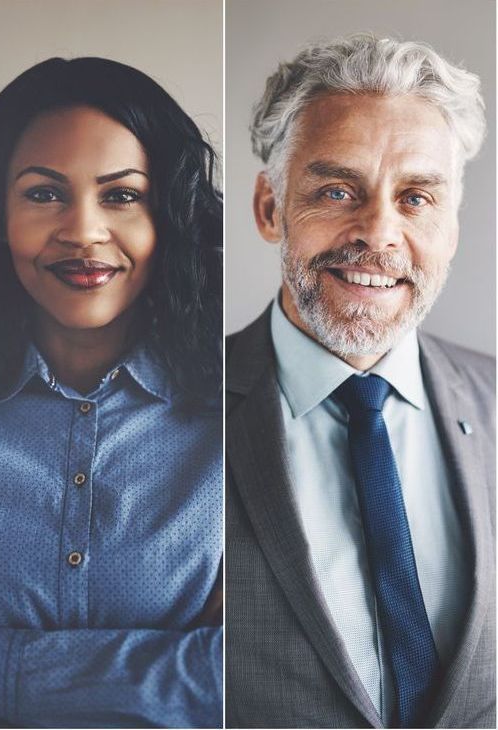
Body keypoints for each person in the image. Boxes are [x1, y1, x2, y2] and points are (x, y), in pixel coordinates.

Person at [226, 33, 494, 728]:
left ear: (452, 227)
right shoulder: (179, 409)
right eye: (338, 190)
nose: (379, 233)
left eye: (415, 198)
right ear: (269, 208)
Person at [0, 57, 224, 728]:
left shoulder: (239, 425)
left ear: (171, 215)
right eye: (44, 194)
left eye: (121, 195)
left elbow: (228, 679)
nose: (83, 231)